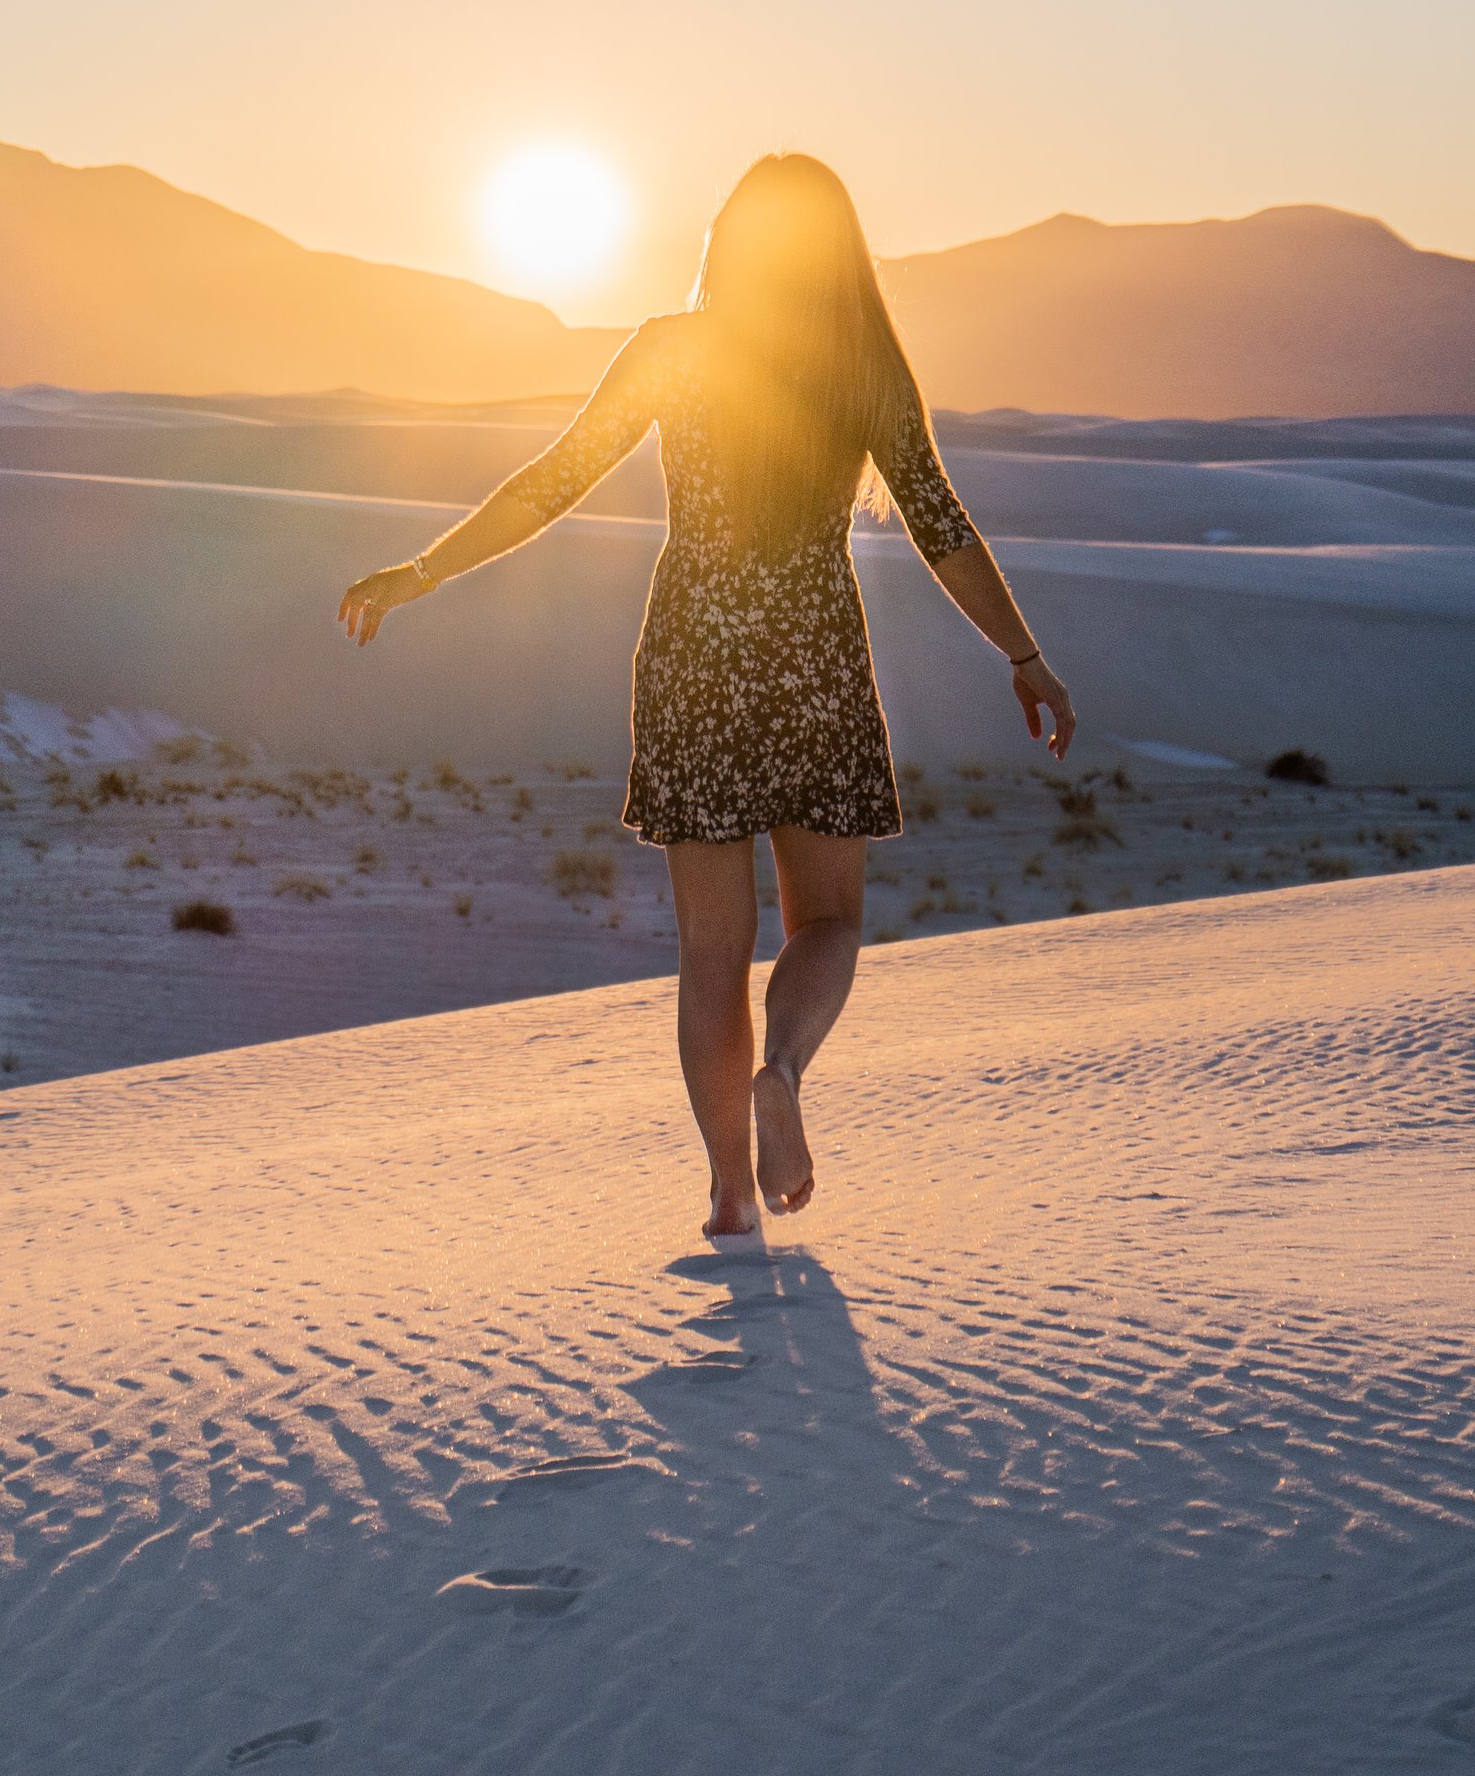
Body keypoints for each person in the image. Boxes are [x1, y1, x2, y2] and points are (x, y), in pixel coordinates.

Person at [338, 152, 1073, 1232]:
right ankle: (782, 1069)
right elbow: (936, 521)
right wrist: (1022, 656)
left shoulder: (672, 351)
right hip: (813, 654)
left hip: (691, 654)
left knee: (710, 950)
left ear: (726, 242)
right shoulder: (860, 365)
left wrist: (422, 570)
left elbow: (552, 482)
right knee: (825, 920)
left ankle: (732, 1192)